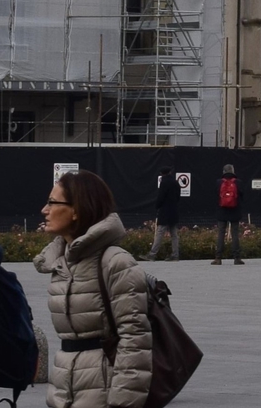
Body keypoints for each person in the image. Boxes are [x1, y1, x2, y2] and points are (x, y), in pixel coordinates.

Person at [37, 168, 151, 408]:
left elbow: (135, 340)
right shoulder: (61, 263)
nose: (44, 210)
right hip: (65, 388)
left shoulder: (116, 262)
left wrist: (122, 402)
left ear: (76, 210)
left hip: (103, 390)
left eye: (51, 202)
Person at [213, 164, 244, 265]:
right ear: (233, 171)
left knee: (221, 234)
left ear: (224, 171)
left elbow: (216, 195)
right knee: (235, 234)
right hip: (235, 210)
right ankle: (237, 258)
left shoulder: (218, 182)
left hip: (222, 211)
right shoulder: (238, 182)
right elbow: (242, 195)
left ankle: (218, 258)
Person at [150, 169, 182, 261]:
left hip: (164, 211)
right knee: (174, 234)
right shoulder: (176, 183)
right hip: (174, 211)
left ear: (161, 173)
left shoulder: (164, 183)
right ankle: (175, 255)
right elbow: (178, 197)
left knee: (160, 232)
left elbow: (161, 197)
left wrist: (157, 206)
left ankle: (152, 254)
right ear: (170, 173)